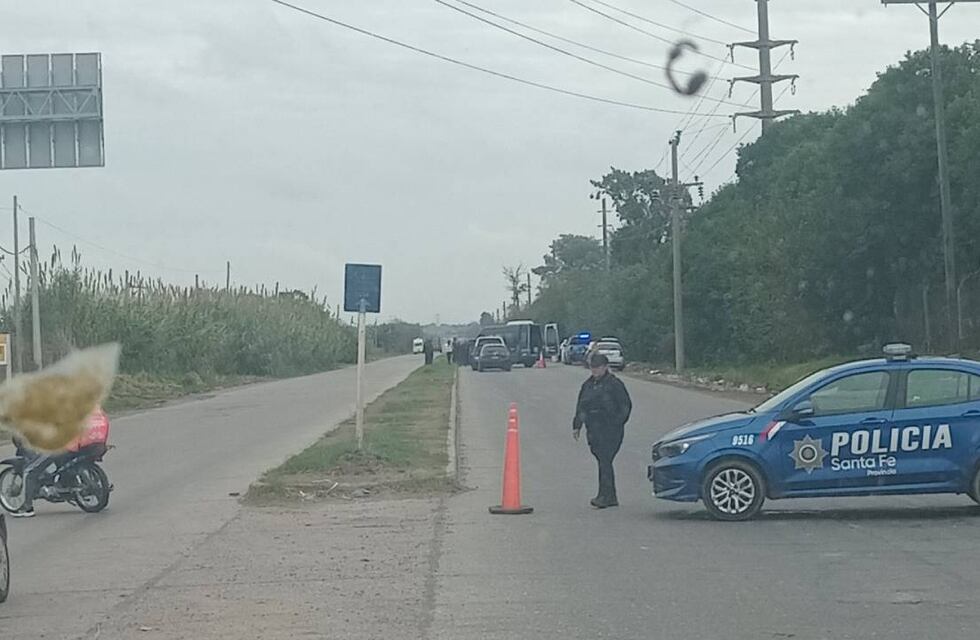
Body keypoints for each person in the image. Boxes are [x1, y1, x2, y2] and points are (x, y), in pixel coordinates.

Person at [572, 352, 632, 509]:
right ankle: (609, 496)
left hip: (610, 429)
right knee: (602, 460)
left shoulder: (614, 384)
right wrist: (577, 425)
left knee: (605, 459)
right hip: (593, 429)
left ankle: (605, 496)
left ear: (605, 367)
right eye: (592, 367)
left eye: (598, 367)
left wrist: (617, 423)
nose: (595, 370)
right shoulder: (587, 385)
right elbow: (581, 406)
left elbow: (625, 406)